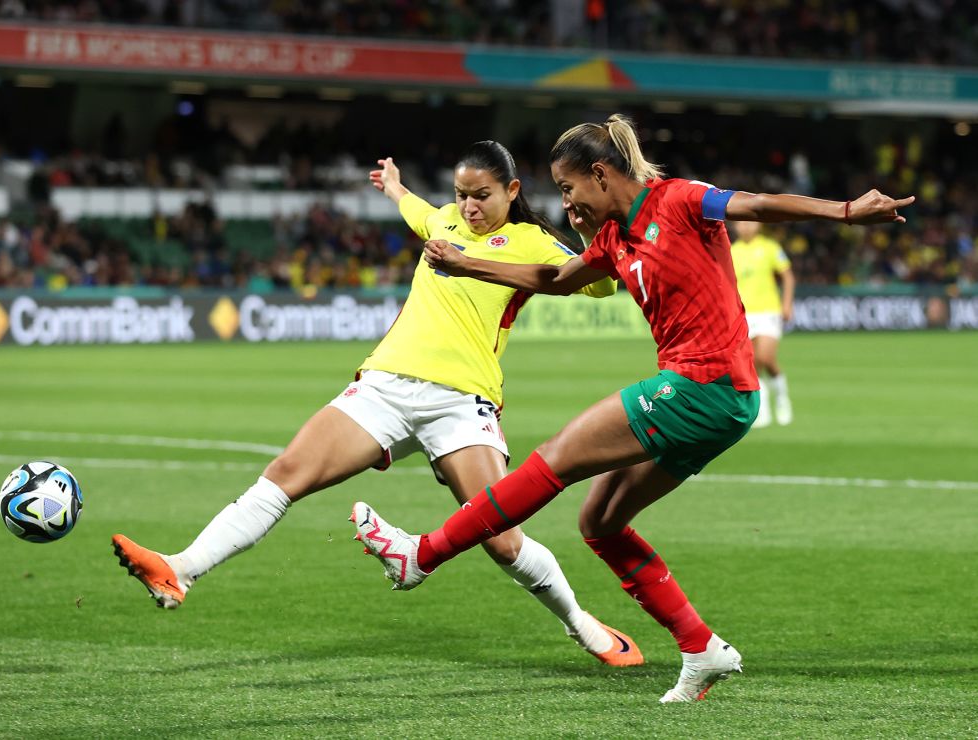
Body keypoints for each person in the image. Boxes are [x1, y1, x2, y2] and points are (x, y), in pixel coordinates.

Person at [352, 115, 914, 702]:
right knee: (599, 523)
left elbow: (759, 204)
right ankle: (701, 648)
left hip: (707, 385)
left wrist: (846, 212)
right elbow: (556, 277)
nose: (566, 204)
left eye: (569, 189)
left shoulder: (680, 200)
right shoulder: (615, 239)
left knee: (557, 458)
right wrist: (469, 264)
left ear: (600, 174)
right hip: (716, 402)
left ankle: (425, 553)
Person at [112, 141, 645, 667]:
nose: (468, 207)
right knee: (286, 473)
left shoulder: (531, 241)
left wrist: (585, 228)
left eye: (480, 195)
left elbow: (600, 285)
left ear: (511, 190)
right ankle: (180, 569)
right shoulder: (444, 223)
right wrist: (393, 187)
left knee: (503, 541)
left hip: (461, 401)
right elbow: (419, 211)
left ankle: (583, 626)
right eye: (460, 195)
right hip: (384, 386)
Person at [731, 221, 795, 427]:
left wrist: (786, 304)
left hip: (768, 310)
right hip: (743, 314)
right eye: (741, 224)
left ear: (757, 225)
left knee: (766, 358)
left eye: (749, 223)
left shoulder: (770, 247)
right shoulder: (732, 250)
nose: (745, 227)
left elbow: (788, 277)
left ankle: (782, 397)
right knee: (752, 364)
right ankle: (763, 408)